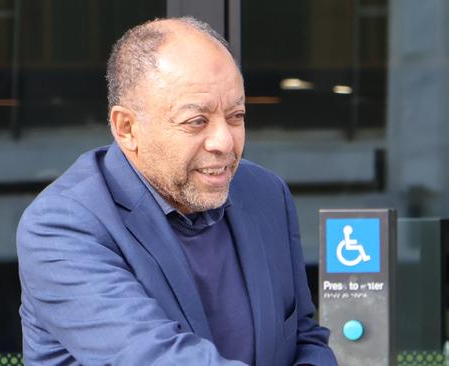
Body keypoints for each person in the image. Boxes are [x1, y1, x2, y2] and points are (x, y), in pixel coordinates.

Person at [17, 17, 337, 366]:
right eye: (196, 121)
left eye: (235, 116)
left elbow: (305, 338)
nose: (224, 142)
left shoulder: (265, 194)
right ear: (126, 128)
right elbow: (158, 358)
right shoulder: (62, 226)